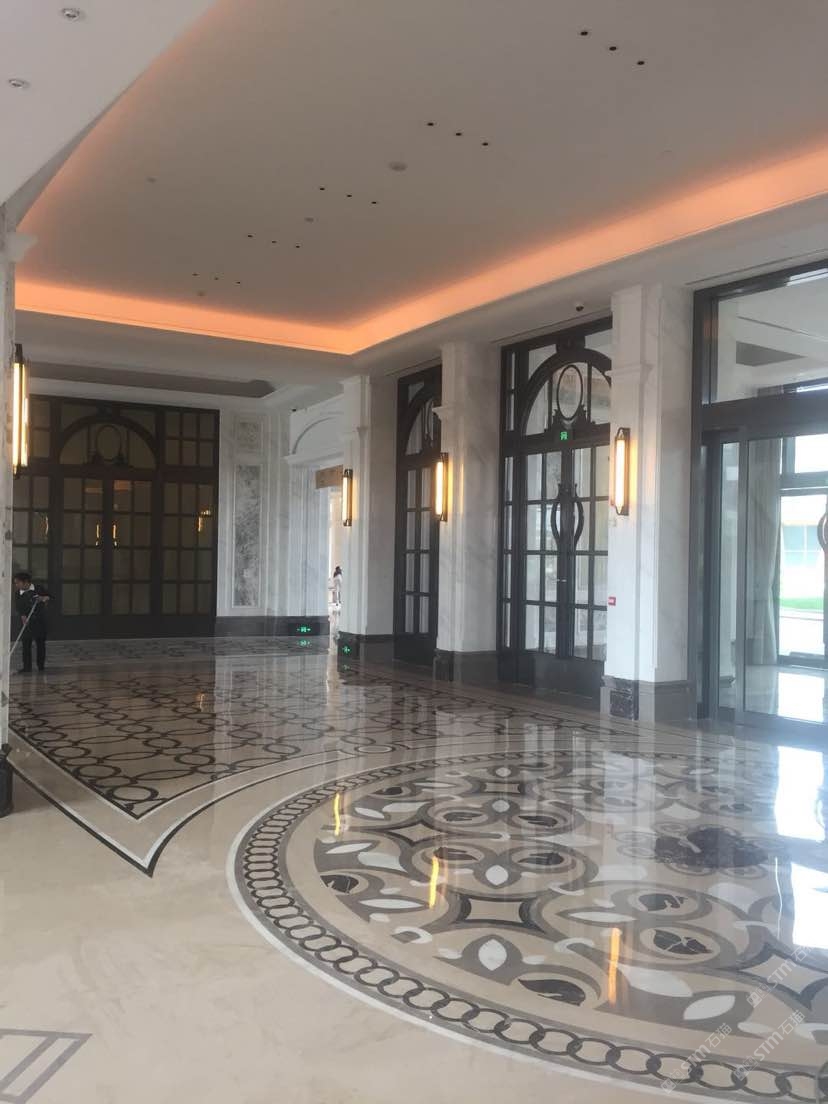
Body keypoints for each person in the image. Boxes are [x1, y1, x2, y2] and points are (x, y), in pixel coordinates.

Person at [13, 571, 52, 674]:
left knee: (40, 644)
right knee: (26, 644)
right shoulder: (18, 593)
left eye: (17, 582)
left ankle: (41, 666)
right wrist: (23, 616)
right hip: (27, 622)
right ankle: (27, 667)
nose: (16, 585)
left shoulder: (39, 588)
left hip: (40, 621)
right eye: (15, 583)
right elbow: (18, 607)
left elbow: (50, 597)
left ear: (25, 582)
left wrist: (42, 598)